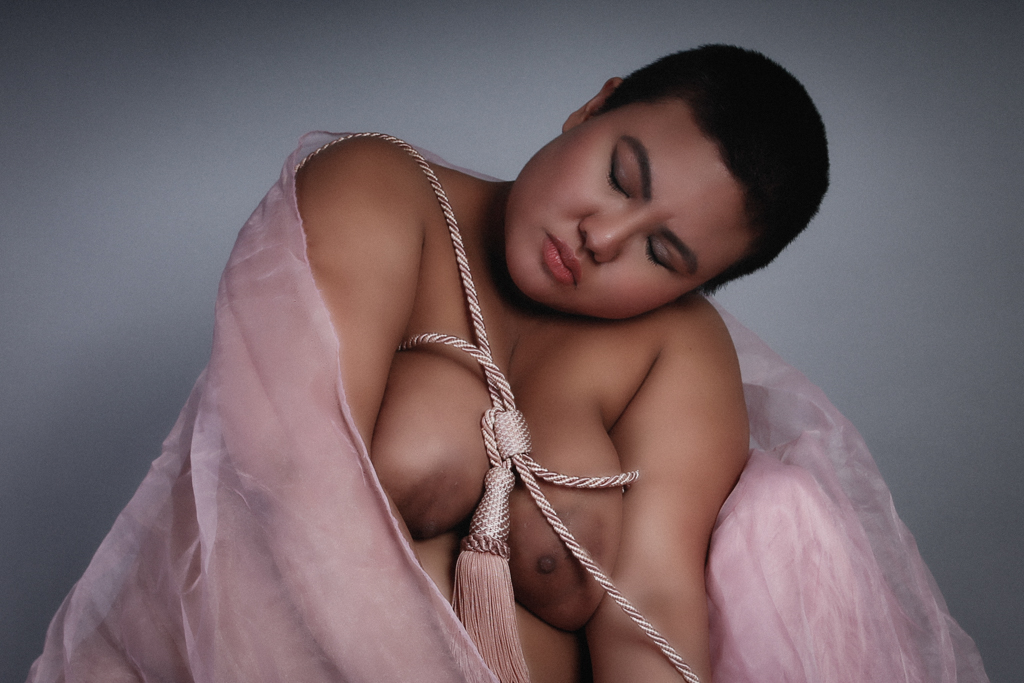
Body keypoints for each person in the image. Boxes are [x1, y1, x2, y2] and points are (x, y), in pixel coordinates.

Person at [27, 46, 986, 683]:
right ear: (593, 105)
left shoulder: (674, 349)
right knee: (436, 420)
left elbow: (648, 611)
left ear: (699, 286)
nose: (603, 237)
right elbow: (284, 485)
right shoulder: (379, 191)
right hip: (252, 655)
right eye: (620, 176)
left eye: (663, 253)